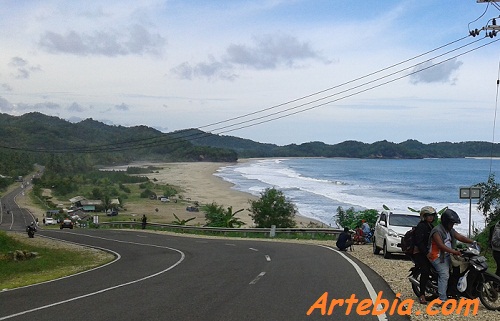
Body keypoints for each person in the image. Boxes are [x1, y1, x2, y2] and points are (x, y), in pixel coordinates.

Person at [427, 209, 475, 303]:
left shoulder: (450, 230)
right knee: (444, 275)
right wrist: (454, 251)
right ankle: (442, 299)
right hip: (436, 256)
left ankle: (454, 291)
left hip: (448, 255)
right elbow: (441, 245)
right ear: (446, 222)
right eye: (451, 223)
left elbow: (459, 237)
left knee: (461, 268)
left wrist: (473, 242)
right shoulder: (437, 231)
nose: (452, 225)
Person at [412, 206, 437, 304]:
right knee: (425, 271)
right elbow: (419, 242)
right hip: (420, 253)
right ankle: (422, 294)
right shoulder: (421, 226)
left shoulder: (431, 226)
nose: (430, 217)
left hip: (429, 252)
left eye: (432, 215)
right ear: (424, 216)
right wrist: (426, 253)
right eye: (428, 215)